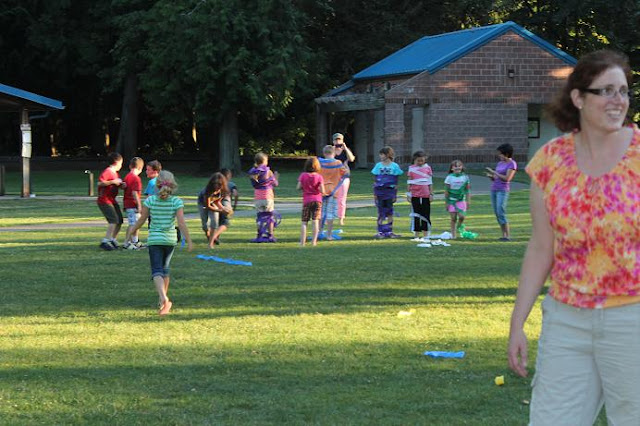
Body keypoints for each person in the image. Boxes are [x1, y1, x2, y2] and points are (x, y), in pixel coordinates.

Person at [508, 50, 640, 425]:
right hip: (567, 320)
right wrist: (518, 323)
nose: (618, 101)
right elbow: (541, 248)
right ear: (579, 98)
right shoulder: (550, 161)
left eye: (623, 91)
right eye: (606, 91)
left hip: (632, 319)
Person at [132, 170, 192, 316]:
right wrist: (189, 240)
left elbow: (142, 219)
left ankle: (164, 298)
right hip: (170, 240)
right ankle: (162, 301)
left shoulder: (150, 201)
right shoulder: (176, 201)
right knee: (165, 269)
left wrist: (132, 231)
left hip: (155, 240)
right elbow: (181, 223)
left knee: (156, 271)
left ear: (157, 184)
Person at [485, 144, 517, 241]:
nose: (499, 155)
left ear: (506, 154)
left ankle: (508, 236)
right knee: (497, 213)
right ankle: (503, 235)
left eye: (501, 154)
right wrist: (491, 176)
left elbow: (507, 179)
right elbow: (496, 178)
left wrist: (494, 172)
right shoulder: (500, 163)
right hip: (494, 189)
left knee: (501, 211)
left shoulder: (512, 164)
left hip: (502, 190)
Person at [371, 146, 403, 238]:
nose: (380, 156)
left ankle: (389, 231)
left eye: (382, 154)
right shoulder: (378, 165)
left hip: (389, 192)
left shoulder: (394, 166)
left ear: (388, 155)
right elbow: (375, 180)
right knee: (381, 211)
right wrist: (375, 194)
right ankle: (380, 231)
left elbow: (396, 181)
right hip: (380, 192)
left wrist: (394, 194)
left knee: (389, 212)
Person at [248, 152, 279, 242]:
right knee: (269, 216)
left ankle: (259, 235)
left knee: (260, 217)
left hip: (258, 197)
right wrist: (276, 177)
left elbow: (255, 183)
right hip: (268, 197)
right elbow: (275, 184)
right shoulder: (268, 171)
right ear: (265, 161)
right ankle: (270, 235)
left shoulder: (253, 172)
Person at [97, 152, 125, 250]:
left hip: (112, 200)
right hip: (104, 200)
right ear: (116, 162)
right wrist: (112, 182)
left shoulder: (115, 173)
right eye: (121, 163)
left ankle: (113, 239)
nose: (121, 166)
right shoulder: (108, 171)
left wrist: (121, 185)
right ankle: (105, 241)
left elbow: (115, 184)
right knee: (113, 220)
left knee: (119, 220)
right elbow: (100, 183)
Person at [318, 145, 347, 240]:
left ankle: (319, 232)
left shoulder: (319, 163)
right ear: (334, 153)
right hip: (333, 191)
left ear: (324, 153)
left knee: (320, 213)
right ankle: (329, 235)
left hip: (321, 190)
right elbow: (345, 173)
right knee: (330, 214)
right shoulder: (338, 163)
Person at [197, 172, 233, 248]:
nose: (217, 186)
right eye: (214, 184)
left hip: (213, 203)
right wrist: (221, 211)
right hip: (203, 204)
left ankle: (210, 244)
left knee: (214, 222)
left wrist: (223, 208)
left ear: (223, 184)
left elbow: (217, 201)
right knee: (205, 224)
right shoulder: (207, 191)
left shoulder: (223, 190)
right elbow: (208, 206)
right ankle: (207, 233)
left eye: (219, 184)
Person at [296, 157, 325, 246]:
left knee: (304, 222)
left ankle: (302, 242)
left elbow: (298, 187)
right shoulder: (319, 177)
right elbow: (322, 191)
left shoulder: (303, 175)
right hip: (317, 200)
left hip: (307, 200)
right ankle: (314, 242)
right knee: (315, 221)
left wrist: (305, 187)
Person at [407, 150, 433, 240]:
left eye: (422, 160)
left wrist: (431, 194)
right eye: (418, 160)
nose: (420, 162)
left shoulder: (428, 168)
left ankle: (426, 233)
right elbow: (409, 182)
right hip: (415, 194)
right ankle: (416, 233)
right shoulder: (411, 168)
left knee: (426, 213)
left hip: (426, 194)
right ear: (414, 160)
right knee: (416, 214)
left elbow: (430, 182)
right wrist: (408, 194)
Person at [332, 133, 356, 226]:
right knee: (331, 198)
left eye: (339, 140)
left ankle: (341, 218)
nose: (338, 142)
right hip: (333, 178)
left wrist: (345, 149)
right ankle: (330, 217)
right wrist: (333, 150)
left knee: (341, 199)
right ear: (333, 141)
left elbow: (352, 159)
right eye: (336, 140)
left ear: (342, 141)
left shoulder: (346, 150)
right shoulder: (331, 150)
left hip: (344, 177)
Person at [444, 159, 471, 239]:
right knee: (453, 218)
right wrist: (447, 202)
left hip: (461, 200)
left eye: (459, 166)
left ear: (462, 167)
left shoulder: (465, 177)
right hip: (451, 200)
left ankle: (459, 226)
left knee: (462, 216)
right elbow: (446, 191)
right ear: (452, 168)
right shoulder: (449, 178)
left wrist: (468, 201)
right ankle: (453, 235)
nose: (457, 167)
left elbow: (467, 190)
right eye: (455, 166)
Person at [123, 157, 145, 249]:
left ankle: (135, 241)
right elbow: (135, 193)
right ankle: (126, 243)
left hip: (127, 203)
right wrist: (139, 205)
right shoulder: (136, 178)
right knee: (133, 224)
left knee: (135, 223)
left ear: (130, 166)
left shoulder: (127, 176)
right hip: (133, 204)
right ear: (140, 168)